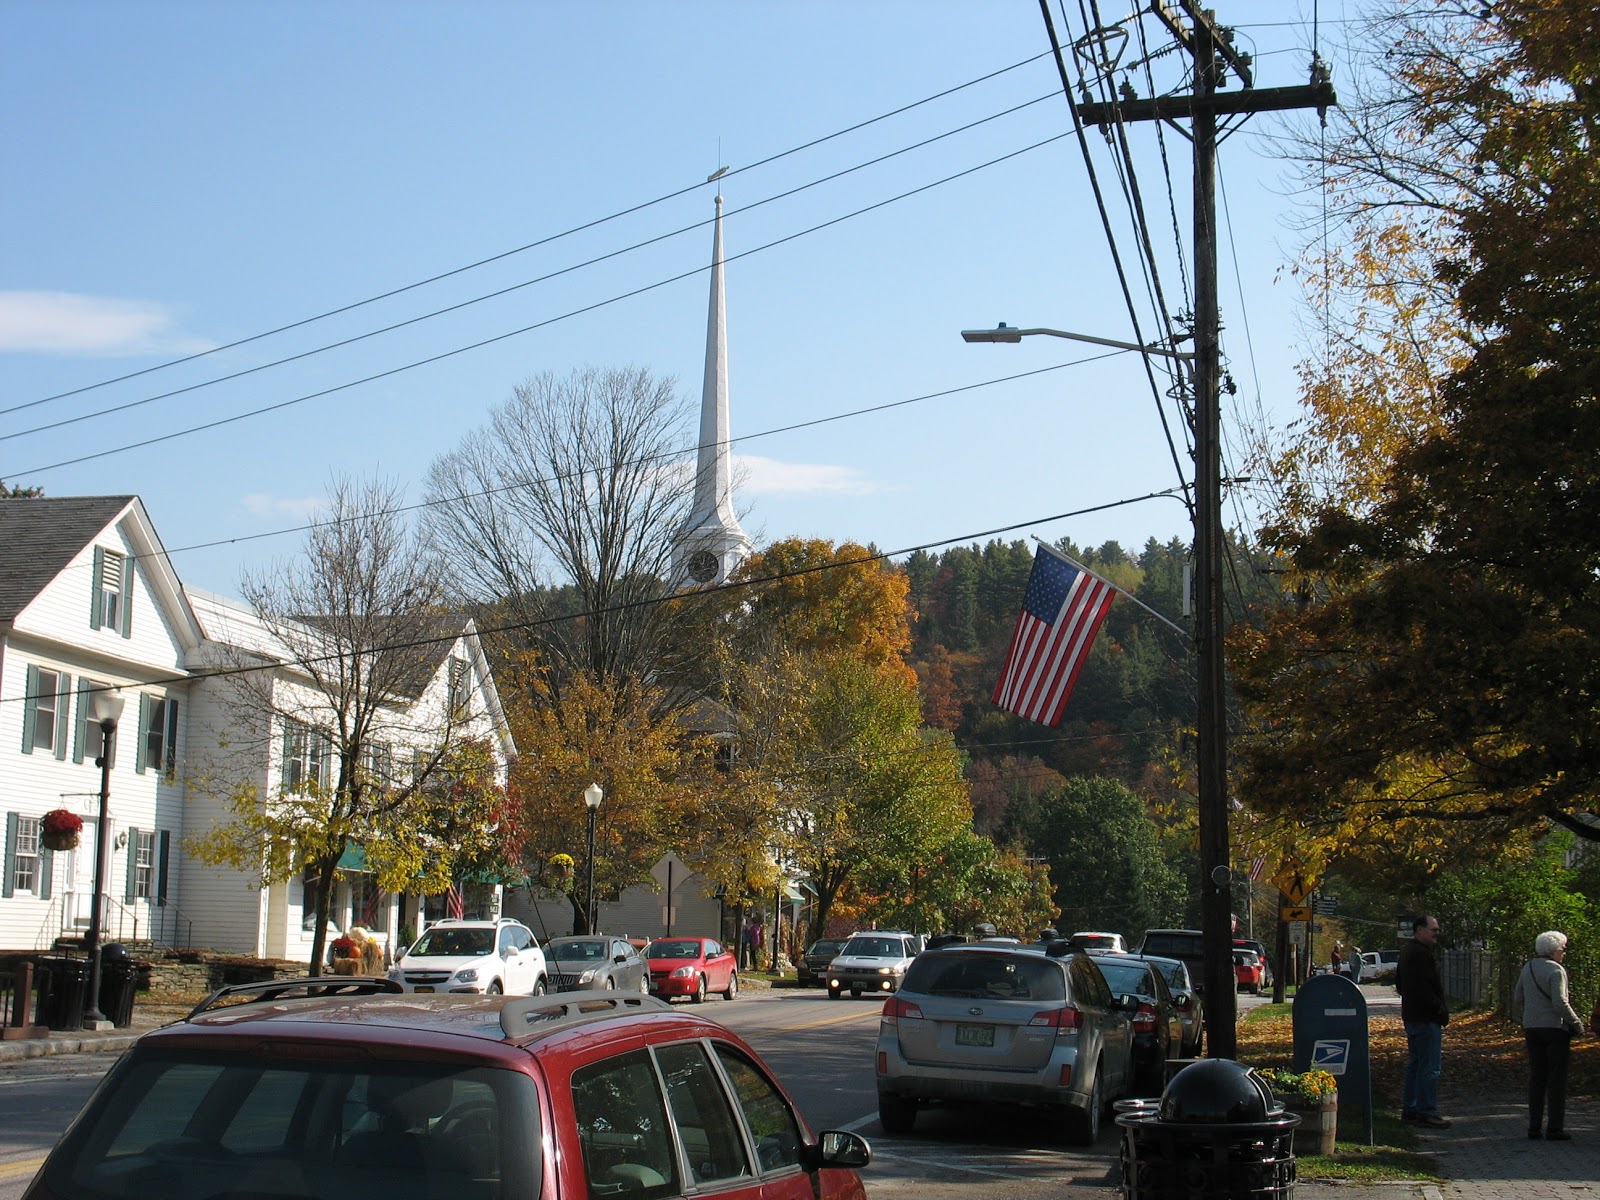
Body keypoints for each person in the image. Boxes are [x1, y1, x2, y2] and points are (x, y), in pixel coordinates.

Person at [1512, 930, 1584, 1140]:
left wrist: (1533, 1011)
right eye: (1563, 948)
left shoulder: (1528, 967)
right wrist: (1577, 1023)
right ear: (1554, 950)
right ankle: (1554, 1128)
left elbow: (1518, 997)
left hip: (1532, 1028)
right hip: (1554, 1029)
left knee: (1537, 1077)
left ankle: (1533, 1127)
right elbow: (1560, 1002)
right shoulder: (1556, 970)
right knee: (1556, 1079)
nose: (1564, 953)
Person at [1395, 915, 1452, 1128]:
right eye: (1433, 929)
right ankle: (1426, 1111)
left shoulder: (1408, 952)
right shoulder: (1420, 955)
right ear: (1419, 930)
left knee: (1416, 1064)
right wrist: (1437, 1009)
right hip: (1425, 1018)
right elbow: (1424, 988)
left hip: (1412, 1016)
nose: (1437, 933)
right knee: (1429, 1067)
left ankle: (1410, 1108)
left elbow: (1400, 984)